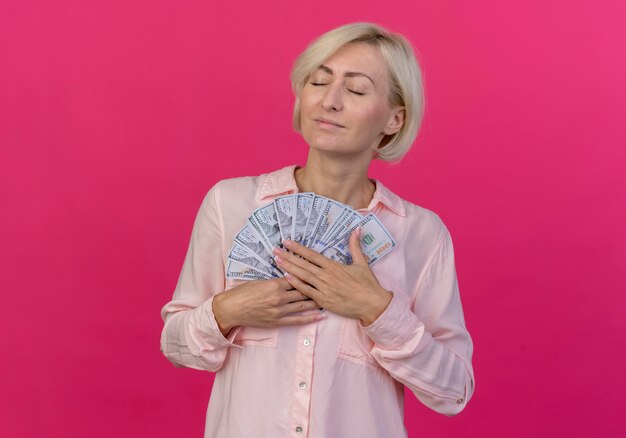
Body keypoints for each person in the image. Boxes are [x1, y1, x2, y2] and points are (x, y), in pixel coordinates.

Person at [160, 22, 474, 437]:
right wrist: (229, 310)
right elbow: (175, 345)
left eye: (356, 90)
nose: (330, 101)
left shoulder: (421, 234)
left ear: (394, 119)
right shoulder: (230, 204)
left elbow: (453, 391)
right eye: (318, 81)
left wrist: (378, 310)